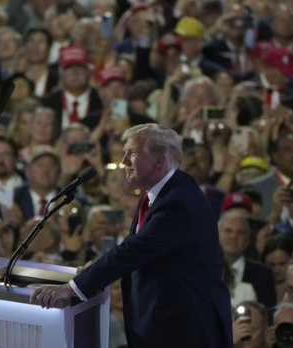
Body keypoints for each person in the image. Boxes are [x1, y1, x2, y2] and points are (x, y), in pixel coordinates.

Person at [30, 124, 233, 347]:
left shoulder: (178, 202)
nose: (124, 160)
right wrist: (98, 265)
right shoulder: (159, 192)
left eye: (132, 153)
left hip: (187, 329)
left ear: (159, 159)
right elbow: (140, 247)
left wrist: (72, 289)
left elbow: (134, 250)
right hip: (168, 322)